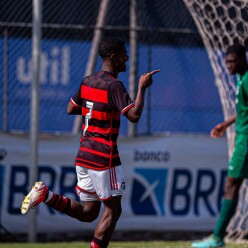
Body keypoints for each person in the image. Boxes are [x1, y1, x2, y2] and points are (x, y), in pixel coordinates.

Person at [21, 37, 160, 248]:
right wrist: (142, 87)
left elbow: (71, 108)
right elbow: (134, 115)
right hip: (104, 158)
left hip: (84, 156)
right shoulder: (114, 85)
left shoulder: (87, 81)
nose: (127, 58)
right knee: (113, 211)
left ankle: (45, 195)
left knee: (89, 213)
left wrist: (93, 107)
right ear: (113, 57)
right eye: (123, 54)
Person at [192, 44, 248, 248]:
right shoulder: (242, 78)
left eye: (232, 62)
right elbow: (244, 110)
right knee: (232, 185)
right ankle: (217, 237)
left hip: (246, 141)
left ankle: (217, 237)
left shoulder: (247, 79)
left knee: (231, 184)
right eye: (226, 62)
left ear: (242, 59)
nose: (229, 66)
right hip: (242, 137)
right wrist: (226, 124)